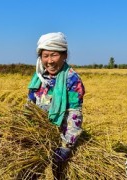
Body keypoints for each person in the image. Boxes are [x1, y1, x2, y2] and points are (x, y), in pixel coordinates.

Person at [27, 32, 85, 176]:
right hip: (38, 133)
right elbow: (30, 105)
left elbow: (74, 114)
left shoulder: (72, 79)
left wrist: (66, 146)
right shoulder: (39, 76)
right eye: (45, 56)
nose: (50, 61)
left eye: (54, 55)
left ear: (64, 55)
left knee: (57, 171)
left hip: (60, 135)